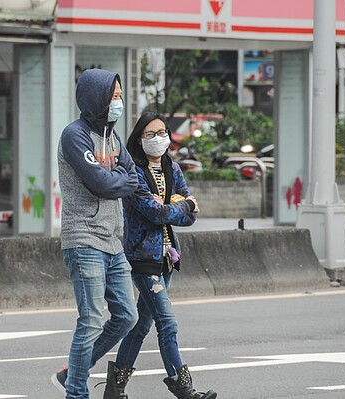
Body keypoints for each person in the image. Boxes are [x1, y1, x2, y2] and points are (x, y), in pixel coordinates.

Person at [106, 110, 217, 399]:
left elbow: (189, 214)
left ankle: (114, 389)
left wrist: (178, 208)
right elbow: (155, 213)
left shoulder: (173, 169)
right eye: (150, 134)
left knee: (142, 323)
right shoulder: (133, 172)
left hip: (168, 256)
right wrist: (181, 206)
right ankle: (184, 390)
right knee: (167, 322)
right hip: (142, 257)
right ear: (139, 139)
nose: (158, 139)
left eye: (162, 133)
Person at [51, 68, 139, 399]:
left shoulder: (114, 138)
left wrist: (116, 180)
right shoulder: (75, 135)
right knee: (90, 320)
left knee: (127, 316)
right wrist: (117, 179)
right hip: (84, 237)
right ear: (96, 97)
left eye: (120, 96)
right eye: (113, 96)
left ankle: (73, 372)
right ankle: (77, 392)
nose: (118, 102)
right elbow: (102, 184)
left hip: (113, 241)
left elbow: (132, 180)